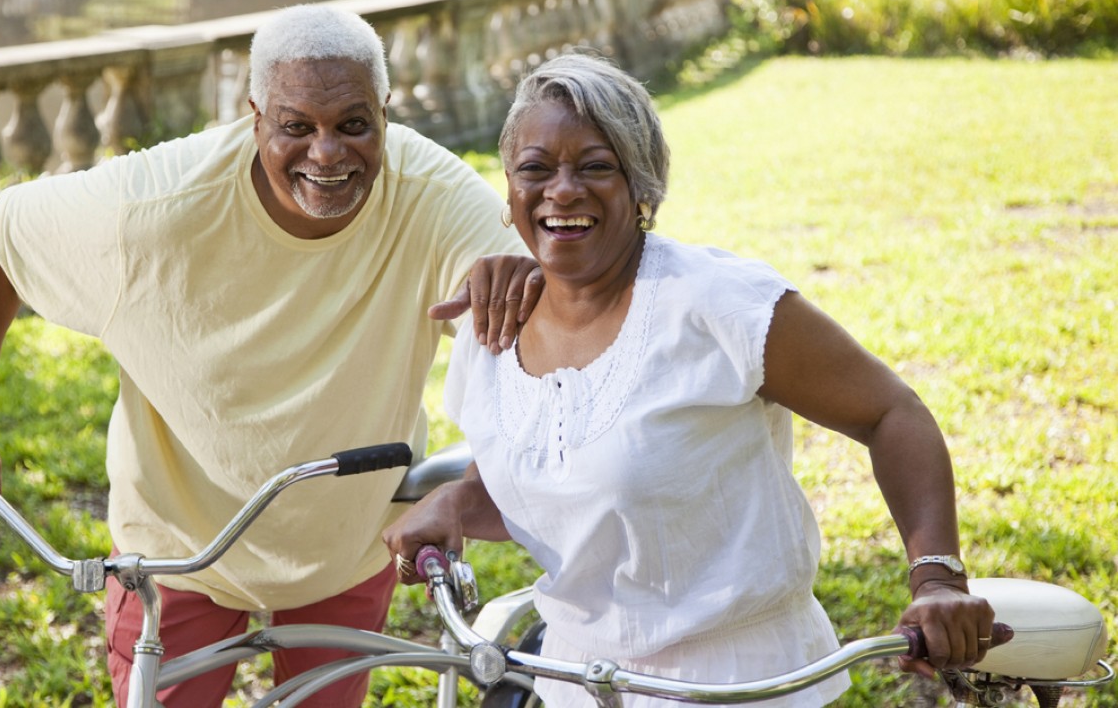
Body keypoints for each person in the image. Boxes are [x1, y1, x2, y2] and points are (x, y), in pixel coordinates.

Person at [0, 4, 541, 707]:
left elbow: (537, 310)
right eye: (296, 127)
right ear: (254, 116)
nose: (328, 154)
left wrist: (517, 289)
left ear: (384, 111)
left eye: (353, 124)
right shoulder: (154, 207)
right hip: (178, 549)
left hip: (342, 546)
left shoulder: (429, 193)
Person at [382, 53, 996, 707]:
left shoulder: (716, 304)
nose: (562, 190)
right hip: (576, 682)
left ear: (643, 187)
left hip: (742, 684)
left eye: (595, 166)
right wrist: (456, 501)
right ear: (508, 191)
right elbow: (562, 480)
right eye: (536, 169)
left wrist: (937, 578)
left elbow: (890, 411)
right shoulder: (491, 332)